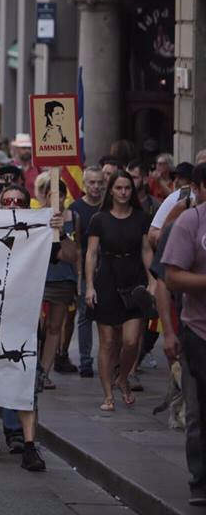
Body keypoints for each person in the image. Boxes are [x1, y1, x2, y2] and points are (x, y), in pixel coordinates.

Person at [0, 183, 48, 471]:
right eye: (8, 201)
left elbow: (66, 256)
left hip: (23, 319)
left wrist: (55, 231)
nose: (13, 204)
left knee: (24, 380)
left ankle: (29, 445)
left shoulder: (39, 234)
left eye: (19, 200)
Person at [84, 169, 155, 413]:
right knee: (107, 342)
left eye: (127, 188)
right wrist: (90, 286)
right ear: (111, 191)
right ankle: (108, 395)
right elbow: (91, 254)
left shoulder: (140, 217)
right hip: (107, 279)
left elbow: (147, 250)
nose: (124, 192)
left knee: (131, 340)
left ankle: (123, 377)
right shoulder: (99, 219)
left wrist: (152, 281)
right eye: (119, 188)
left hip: (133, 280)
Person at [161, 162, 206, 506]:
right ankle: (201, 481)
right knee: (199, 412)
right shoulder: (190, 221)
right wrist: (169, 332)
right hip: (199, 332)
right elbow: (171, 277)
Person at [37, 180, 80, 391]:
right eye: (50, 195)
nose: (56, 200)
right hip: (37, 278)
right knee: (35, 327)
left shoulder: (73, 219)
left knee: (55, 327)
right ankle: (33, 369)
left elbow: (73, 255)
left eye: (60, 195)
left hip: (63, 279)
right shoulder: (34, 217)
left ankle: (44, 372)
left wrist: (61, 232)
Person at [69, 166, 106, 378]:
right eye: (92, 182)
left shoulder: (108, 207)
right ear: (84, 185)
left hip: (108, 269)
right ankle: (85, 361)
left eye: (100, 182)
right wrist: (79, 276)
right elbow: (76, 247)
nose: (96, 187)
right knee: (85, 316)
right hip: (84, 270)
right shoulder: (76, 209)